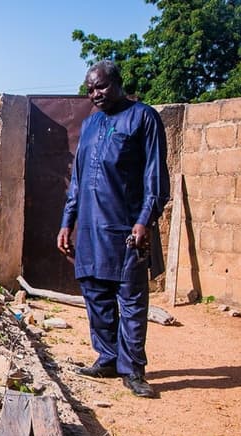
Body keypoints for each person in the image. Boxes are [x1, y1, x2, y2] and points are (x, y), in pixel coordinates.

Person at [57, 60, 170, 398]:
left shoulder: (143, 118)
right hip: (90, 230)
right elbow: (77, 181)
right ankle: (107, 358)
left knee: (132, 301)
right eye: (90, 89)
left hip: (125, 228)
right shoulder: (90, 125)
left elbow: (155, 176)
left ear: (119, 83)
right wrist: (67, 222)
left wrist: (144, 220)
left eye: (101, 87)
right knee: (96, 296)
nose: (95, 94)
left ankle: (133, 369)